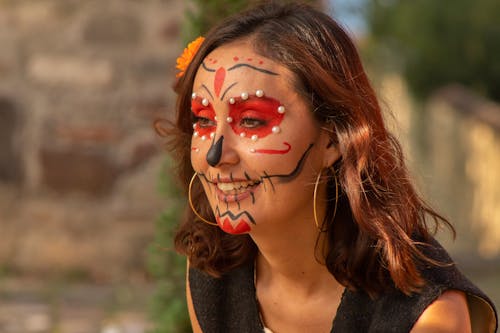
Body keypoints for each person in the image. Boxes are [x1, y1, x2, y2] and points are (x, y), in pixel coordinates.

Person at [162, 2, 498, 332]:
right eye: (203, 121)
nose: (214, 154)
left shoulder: (427, 318)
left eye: (251, 120)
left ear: (334, 139)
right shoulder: (215, 268)